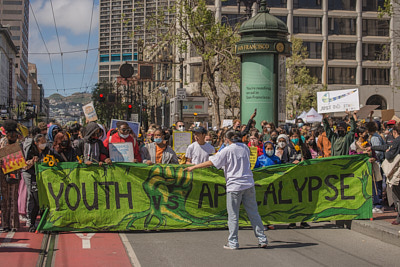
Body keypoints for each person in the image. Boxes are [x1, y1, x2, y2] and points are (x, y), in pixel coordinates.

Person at [185, 131, 268, 249]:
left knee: (233, 215)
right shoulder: (245, 147)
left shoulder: (227, 150)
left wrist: (193, 167)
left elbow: (211, 162)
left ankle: (233, 242)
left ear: (227, 139)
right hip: (248, 184)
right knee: (253, 213)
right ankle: (262, 238)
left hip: (234, 186)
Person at [22, 134, 48, 231]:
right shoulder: (31, 150)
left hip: (43, 178)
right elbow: (24, 165)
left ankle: (43, 222)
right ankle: (31, 223)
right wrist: (32, 161)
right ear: (36, 143)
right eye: (42, 142)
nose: (44, 144)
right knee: (34, 199)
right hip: (32, 176)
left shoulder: (47, 150)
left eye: (45, 142)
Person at [0, 120, 22, 231]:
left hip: (14, 172)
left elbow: (21, 159)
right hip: (5, 174)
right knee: (7, 199)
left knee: (12, 198)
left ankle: (11, 224)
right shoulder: (3, 143)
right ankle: (8, 224)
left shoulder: (17, 143)